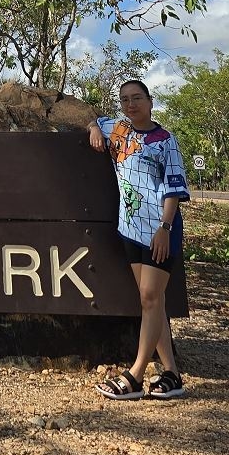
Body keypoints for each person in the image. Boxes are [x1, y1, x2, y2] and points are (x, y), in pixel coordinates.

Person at [87, 79, 190, 400]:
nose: (131, 105)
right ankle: (171, 372)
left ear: (150, 101)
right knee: (152, 302)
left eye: (137, 98)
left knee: (148, 298)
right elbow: (94, 121)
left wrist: (165, 227)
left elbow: (174, 188)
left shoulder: (165, 141)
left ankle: (135, 374)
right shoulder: (118, 129)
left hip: (159, 230)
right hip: (129, 229)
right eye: (125, 100)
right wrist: (92, 127)